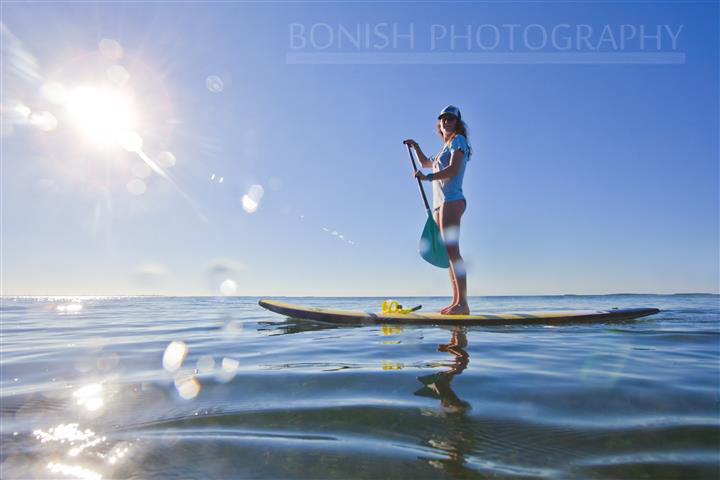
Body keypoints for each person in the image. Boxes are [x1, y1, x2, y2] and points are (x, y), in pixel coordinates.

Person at [404, 105, 471, 315]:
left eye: (451, 119)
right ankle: (456, 302)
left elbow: (453, 170)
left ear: (457, 123)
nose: (446, 121)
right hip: (440, 205)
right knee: (448, 255)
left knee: (453, 252)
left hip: (452, 200)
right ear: (439, 124)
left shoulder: (459, 141)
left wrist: (428, 178)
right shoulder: (443, 149)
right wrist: (415, 147)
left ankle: (464, 304)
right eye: (443, 119)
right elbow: (425, 163)